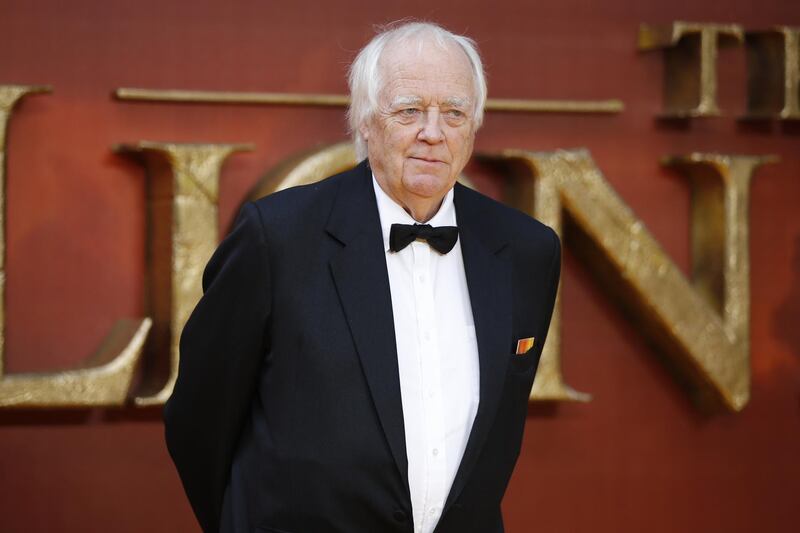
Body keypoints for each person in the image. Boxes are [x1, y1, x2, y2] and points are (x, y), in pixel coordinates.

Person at [165, 21, 561, 533]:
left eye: (454, 113)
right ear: (366, 121)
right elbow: (200, 419)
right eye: (409, 110)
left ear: (475, 125)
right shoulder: (278, 237)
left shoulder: (527, 250)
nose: (433, 133)